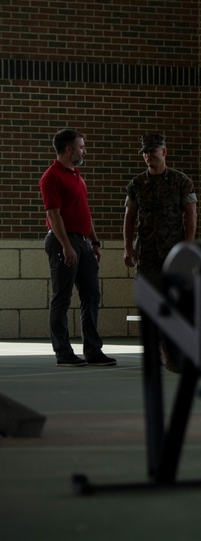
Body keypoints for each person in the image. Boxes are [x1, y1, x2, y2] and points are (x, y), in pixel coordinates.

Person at [39, 129, 115, 367]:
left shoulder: (77, 175)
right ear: (69, 149)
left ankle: (93, 350)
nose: (85, 150)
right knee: (62, 297)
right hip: (64, 241)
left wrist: (94, 242)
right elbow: (53, 214)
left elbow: (85, 212)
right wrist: (66, 246)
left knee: (92, 295)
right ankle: (63, 352)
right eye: (82, 146)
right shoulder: (51, 177)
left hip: (83, 242)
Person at [123, 133, 197, 371]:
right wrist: (127, 246)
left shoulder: (180, 181)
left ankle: (172, 351)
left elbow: (191, 214)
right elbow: (130, 216)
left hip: (172, 252)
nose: (148, 156)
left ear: (164, 152)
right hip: (146, 252)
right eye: (145, 152)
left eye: (152, 151)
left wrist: (187, 247)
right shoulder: (136, 183)